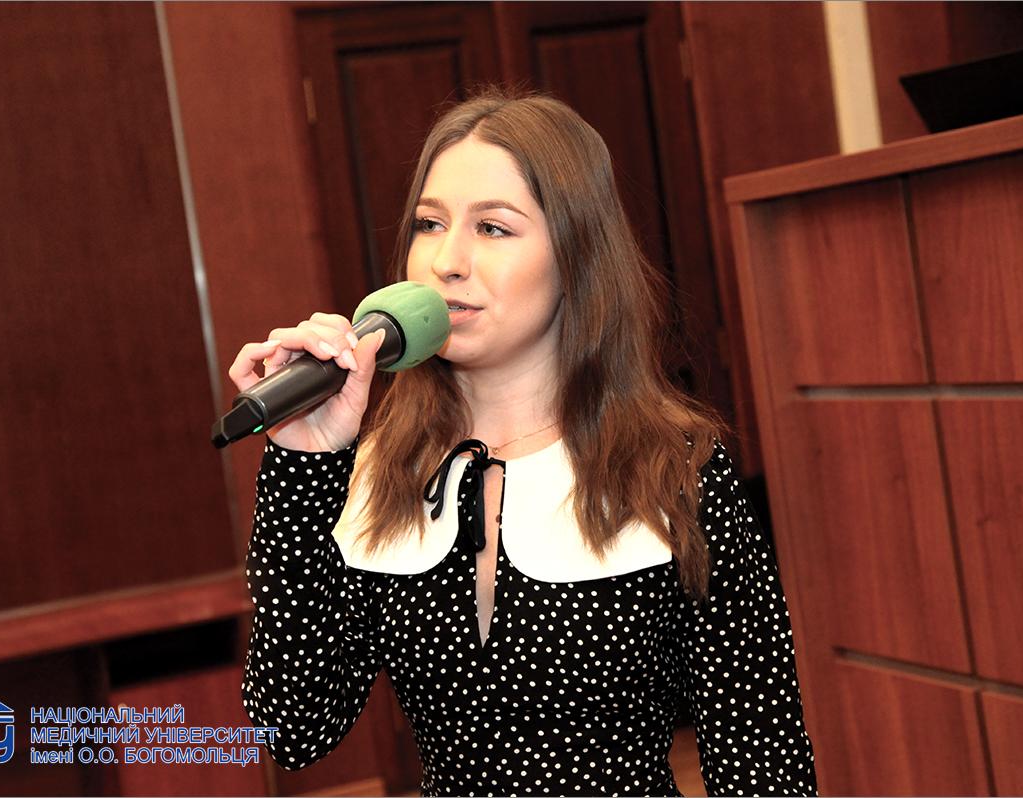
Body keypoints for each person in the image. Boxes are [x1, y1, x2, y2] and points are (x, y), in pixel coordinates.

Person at [230, 88, 817, 796]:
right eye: (429, 223)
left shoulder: (676, 467)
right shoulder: (380, 469)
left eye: (492, 228)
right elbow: (292, 728)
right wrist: (303, 462)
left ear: (576, 254)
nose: (447, 260)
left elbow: (762, 755)